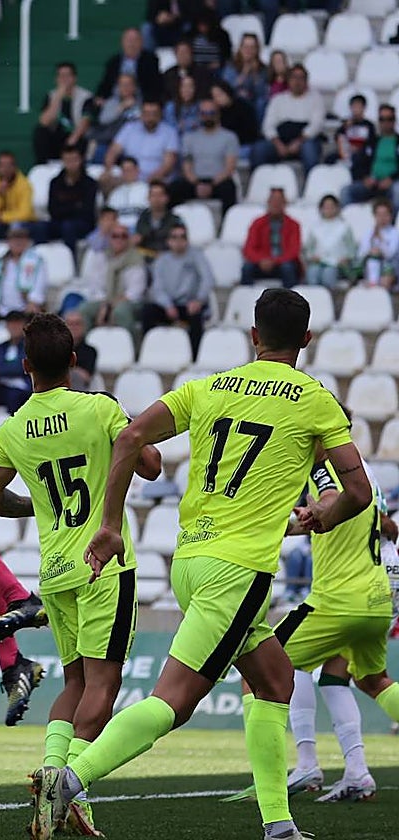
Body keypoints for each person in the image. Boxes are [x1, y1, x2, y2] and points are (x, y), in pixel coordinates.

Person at [33, 287, 373, 840]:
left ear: (253, 336)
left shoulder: (208, 387)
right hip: (237, 573)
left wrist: (112, 524)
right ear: (306, 341)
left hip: (191, 562)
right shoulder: (315, 401)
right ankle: (70, 779)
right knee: (175, 700)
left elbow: (130, 437)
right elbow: (357, 490)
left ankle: (279, 825)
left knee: (275, 680)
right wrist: (326, 516)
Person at [0, 314, 161, 836]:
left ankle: (51, 776)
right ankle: (69, 787)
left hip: (55, 571)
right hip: (105, 566)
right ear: (75, 361)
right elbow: (150, 465)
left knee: (74, 682)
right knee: (105, 684)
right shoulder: (99, 407)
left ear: (26, 365)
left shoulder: (13, 426)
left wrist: (34, 508)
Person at [231, 450, 399, 806]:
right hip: (376, 598)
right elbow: (389, 527)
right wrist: (297, 524)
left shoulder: (325, 465)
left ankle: (289, 770)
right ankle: (356, 773)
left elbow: (331, 501)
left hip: (337, 600)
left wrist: (307, 515)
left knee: (256, 670)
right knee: (364, 680)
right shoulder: (363, 470)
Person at [142, 223, 214, 359]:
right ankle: (148, 352)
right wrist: (167, 305)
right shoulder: (161, 261)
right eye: (174, 237)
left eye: (182, 237)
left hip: (191, 303)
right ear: (168, 241)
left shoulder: (197, 256)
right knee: (148, 312)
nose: (178, 240)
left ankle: (195, 356)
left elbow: (208, 279)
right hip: (169, 305)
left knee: (196, 316)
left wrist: (199, 299)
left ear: (187, 240)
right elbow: (157, 288)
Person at [169, 98, 239, 212]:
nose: (208, 116)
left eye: (211, 113)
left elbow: (230, 168)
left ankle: (226, 226)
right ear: (199, 115)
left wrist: (210, 185)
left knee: (229, 189)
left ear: (218, 114)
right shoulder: (189, 138)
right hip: (195, 180)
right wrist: (197, 184)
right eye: (204, 113)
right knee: (174, 188)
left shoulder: (229, 137)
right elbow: (187, 166)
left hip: (218, 181)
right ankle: (174, 225)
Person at [251, 64, 324, 172]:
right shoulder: (278, 99)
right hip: (280, 141)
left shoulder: (316, 99)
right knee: (259, 149)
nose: (297, 81)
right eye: (294, 77)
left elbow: (316, 125)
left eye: (301, 78)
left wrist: (299, 142)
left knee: (310, 150)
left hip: (305, 141)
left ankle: (312, 187)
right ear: (288, 80)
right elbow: (268, 125)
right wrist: (278, 144)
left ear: (306, 81)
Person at [78, 223, 145, 334]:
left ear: (128, 239)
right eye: (115, 236)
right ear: (109, 238)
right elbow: (96, 286)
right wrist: (105, 305)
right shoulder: (102, 257)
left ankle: (131, 347)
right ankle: (84, 347)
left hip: (130, 303)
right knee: (84, 309)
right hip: (105, 300)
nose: (119, 239)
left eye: (123, 236)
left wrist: (109, 307)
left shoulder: (135, 259)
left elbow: (134, 293)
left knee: (121, 311)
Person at [103, 101, 179, 189]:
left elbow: (168, 164)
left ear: (160, 115)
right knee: (105, 179)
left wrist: (149, 180)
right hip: (127, 176)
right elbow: (112, 152)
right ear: (141, 114)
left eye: (154, 113)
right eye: (147, 113)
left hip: (155, 179)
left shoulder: (169, 132)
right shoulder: (129, 128)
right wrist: (109, 170)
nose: (150, 117)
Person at [0, 225, 46, 322]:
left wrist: (33, 301)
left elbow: (40, 283)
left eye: (21, 239)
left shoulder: (35, 261)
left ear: (27, 242)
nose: (18, 243)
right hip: (0, 308)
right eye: (14, 239)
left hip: (25, 308)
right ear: (8, 242)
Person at [34, 61, 92, 165]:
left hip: (76, 136)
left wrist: (72, 140)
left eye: (67, 76)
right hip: (57, 137)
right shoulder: (51, 95)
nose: (64, 79)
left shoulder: (86, 97)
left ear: (74, 78)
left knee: (82, 139)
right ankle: (43, 165)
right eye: (61, 76)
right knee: (40, 132)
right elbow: (44, 121)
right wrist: (58, 96)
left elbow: (85, 121)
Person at [342, 103, 399, 208]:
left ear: (394, 121)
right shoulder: (372, 141)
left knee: (397, 190)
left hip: (392, 183)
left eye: (389, 119)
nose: (386, 122)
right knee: (346, 191)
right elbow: (359, 162)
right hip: (372, 183)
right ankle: (346, 223)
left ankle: (392, 223)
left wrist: (391, 179)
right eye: (382, 119)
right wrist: (365, 177)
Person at [242, 188, 302, 287]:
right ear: (268, 202)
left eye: (279, 201)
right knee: (247, 268)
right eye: (273, 201)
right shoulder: (257, 223)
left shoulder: (293, 225)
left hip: (282, 262)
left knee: (288, 268)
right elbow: (249, 248)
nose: (276, 204)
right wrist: (261, 260)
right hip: (261, 263)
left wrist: (274, 261)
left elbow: (294, 250)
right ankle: (246, 298)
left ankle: (290, 299)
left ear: (284, 204)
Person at [43, 145, 97, 247]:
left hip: (83, 224)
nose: (71, 164)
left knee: (68, 227)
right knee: (40, 227)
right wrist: (75, 206)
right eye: (67, 160)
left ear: (81, 160)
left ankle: (71, 260)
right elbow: (52, 210)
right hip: (59, 222)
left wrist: (64, 208)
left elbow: (87, 211)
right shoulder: (55, 182)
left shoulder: (89, 183)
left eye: (74, 160)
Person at [95, 27, 163, 104]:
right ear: (122, 42)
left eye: (135, 40)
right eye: (128, 40)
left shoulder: (150, 61)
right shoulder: (114, 62)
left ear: (141, 42)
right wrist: (100, 97)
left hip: (141, 101)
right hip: (115, 101)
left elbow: (154, 86)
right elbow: (105, 84)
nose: (131, 44)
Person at [302, 195, 356, 290]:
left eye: (331, 207)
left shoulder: (344, 227)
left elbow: (352, 249)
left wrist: (346, 258)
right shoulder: (315, 227)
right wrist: (312, 257)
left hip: (337, 264)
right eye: (326, 207)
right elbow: (308, 249)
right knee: (312, 273)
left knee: (328, 274)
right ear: (321, 209)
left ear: (337, 208)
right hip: (318, 262)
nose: (329, 210)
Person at [0, 151, 35, 242]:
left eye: (9, 165)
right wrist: (0, 195)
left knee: (16, 225)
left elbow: (25, 213)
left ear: (15, 167)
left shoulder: (25, 185)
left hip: (21, 223)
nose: (6, 169)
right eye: (2, 166)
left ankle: (16, 254)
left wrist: (1, 217)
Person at [132, 180, 182, 261]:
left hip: (168, 258)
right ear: (148, 198)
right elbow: (139, 237)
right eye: (153, 195)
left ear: (166, 198)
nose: (156, 199)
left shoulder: (175, 220)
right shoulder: (143, 218)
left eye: (160, 195)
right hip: (145, 258)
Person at [355, 199, 399, 289]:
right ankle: (372, 283)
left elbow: (391, 254)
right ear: (374, 216)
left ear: (390, 216)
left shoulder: (395, 233)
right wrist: (370, 250)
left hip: (391, 266)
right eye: (379, 215)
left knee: (385, 277)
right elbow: (360, 254)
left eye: (385, 214)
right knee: (372, 259)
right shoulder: (368, 233)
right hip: (370, 265)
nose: (382, 218)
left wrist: (381, 241)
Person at [63, 309, 97, 391]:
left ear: (83, 326)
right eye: (70, 324)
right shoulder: (55, 349)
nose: (74, 327)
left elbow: (86, 377)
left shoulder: (90, 351)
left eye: (77, 323)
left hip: (78, 392)